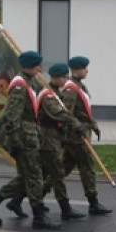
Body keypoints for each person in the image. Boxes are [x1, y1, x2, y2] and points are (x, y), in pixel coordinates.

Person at [0, 50, 59, 230]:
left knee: (27, 177)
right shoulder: (19, 86)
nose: (40, 69)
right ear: (29, 66)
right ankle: (39, 216)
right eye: (37, 65)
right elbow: (11, 115)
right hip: (24, 138)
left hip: (30, 136)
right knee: (35, 177)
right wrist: (14, 140)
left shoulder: (28, 83)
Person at [61, 55, 112, 216]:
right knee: (87, 168)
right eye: (85, 68)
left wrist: (94, 126)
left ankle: (31, 195)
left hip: (81, 132)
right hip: (77, 136)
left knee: (61, 170)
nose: (87, 71)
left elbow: (85, 111)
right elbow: (66, 112)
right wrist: (75, 128)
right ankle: (93, 203)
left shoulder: (80, 86)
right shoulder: (71, 88)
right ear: (77, 70)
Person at [37, 63, 87, 221]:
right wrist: (75, 123)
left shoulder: (56, 92)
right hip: (47, 137)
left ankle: (21, 200)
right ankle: (64, 208)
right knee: (56, 172)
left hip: (55, 137)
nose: (66, 80)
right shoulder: (48, 94)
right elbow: (57, 112)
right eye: (64, 77)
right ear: (56, 78)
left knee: (48, 173)